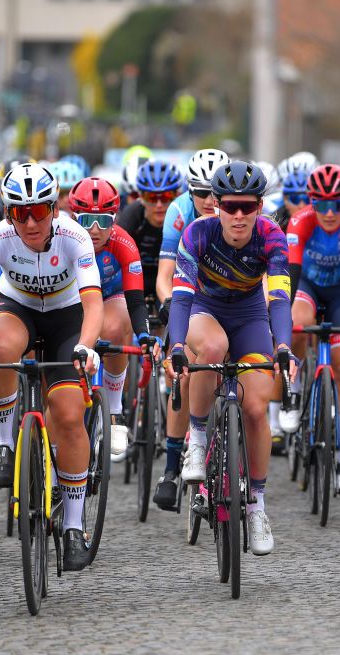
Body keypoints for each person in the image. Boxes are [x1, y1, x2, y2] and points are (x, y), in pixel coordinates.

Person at [0, 162, 102, 571]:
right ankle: (4, 443)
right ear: (8, 214)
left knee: (70, 415)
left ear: (54, 208)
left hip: (66, 316)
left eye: (38, 211)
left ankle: (74, 527)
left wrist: (86, 347)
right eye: (19, 212)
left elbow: (93, 304)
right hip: (18, 308)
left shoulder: (75, 237)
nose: (30, 221)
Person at [166, 161, 293, 556]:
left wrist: (284, 346)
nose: (239, 216)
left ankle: (256, 505)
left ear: (260, 206)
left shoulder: (273, 236)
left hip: (251, 316)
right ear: (216, 205)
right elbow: (181, 298)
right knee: (213, 349)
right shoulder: (197, 233)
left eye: (248, 206)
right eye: (231, 206)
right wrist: (175, 346)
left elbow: (279, 299)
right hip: (205, 310)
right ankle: (199, 441)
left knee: (256, 407)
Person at [280, 164, 340, 492]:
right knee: (298, 322)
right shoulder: (300, 222)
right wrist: (282, 318)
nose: (329, 213)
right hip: (309, 287)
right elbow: (291, 273)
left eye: (338, 205)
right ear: (311, 202)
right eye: (322, 204)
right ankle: (294, 386)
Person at [153, 149, 228, 508]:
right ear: (190, 192)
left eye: (216, 193)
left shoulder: (235, 214)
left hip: (228, 301)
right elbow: (163, 277)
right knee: (182, 375)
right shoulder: (179, 212)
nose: (209, 201)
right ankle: (170, 468)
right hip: (189, 296)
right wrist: (170, 305)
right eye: (201, 194)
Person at [68, 176, 156, 463]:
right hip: (71, 300)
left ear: (114, 220)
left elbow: (135, 299)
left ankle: (115, 411)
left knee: (117, 326)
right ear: (72, 218)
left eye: (103, 222)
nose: (94, 230)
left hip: (110, 296)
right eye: (85, 221)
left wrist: (144, 335)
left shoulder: (123, 242)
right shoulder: (60, 238)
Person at [117, 160, 182, 299]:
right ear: (141, 197)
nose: (159, 205)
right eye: (151, 198)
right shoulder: (132, 214)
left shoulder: (184, 216)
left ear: (176, 196)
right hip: (137, 280)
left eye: (165, 197)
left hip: (172, 281)